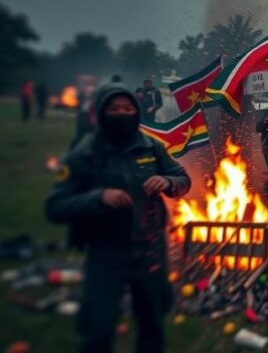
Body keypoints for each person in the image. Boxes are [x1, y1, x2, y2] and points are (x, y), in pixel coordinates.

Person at [44, 83, 191, 353]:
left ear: (136, 111)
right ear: (101, 113)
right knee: (98, 332)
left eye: (127, 108)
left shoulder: (152, 147)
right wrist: (98, 197)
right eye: (114, 109)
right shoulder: (83, 156)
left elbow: (183, 179)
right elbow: (55, 206)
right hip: (106, 254)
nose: (122, 113)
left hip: (150, 251)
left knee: (152, 326)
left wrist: (167, 181)